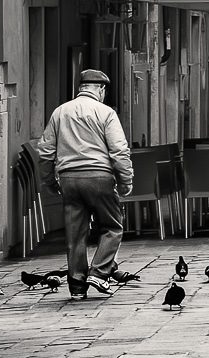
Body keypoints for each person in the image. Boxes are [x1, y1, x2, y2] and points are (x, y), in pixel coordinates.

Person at [36, 69, 135, 298]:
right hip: (99, 177)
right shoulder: (106, 112)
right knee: (112, 226)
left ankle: (77, 287)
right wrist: (125, 180)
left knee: (75, 233)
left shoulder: (60, 112)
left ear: (81, 88)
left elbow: (45, 151)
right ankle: (99, 274)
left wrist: (50, 181)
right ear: (101, 89)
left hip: (69, 180)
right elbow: (119, 150)